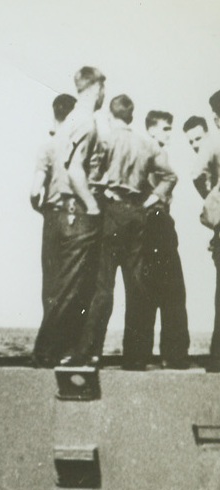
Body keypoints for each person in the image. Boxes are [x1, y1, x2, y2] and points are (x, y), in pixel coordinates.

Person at [78, 94, 176, 368]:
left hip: (112, 213)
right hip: (138, 215)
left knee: (103, 285)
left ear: (111, 116)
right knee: (137, 285)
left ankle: (89, 352)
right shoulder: (146, 143)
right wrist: (149, 201)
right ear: (132, 117)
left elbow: (93, 178)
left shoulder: (107, 140)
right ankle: (136, 356)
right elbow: (170, 176)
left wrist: (102, 192)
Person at [32, 68, 106, 367]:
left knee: (63, 286)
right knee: (74, 289)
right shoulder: (87, 123)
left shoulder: (67, 123)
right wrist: (92, 205)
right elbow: (76, 170)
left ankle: (56, 351)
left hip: (62, 212)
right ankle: (47, 352)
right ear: (97, 87)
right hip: (78, 212)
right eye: (103, 88)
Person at [30, 94, 78, 367]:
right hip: (79, 217)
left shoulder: (47, 147)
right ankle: (67, 347)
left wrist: (45, 210)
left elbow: (35, 191)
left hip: (53, 217)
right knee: (74, 285)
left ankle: (47, 349)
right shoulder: (83, 147)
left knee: (51, 285)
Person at [140, 110, 190, 368]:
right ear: (151, 129)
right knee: (173, 292)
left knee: (150, 291)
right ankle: (174, 355)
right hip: (158, 223)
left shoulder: (149, 152)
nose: (170, 133)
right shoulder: (154, 154)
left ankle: (142, 354)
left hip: (151, 226)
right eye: (166, 128)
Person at [192, 91, 220, 370]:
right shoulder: (213, 145)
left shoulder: (213, 145)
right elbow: (197, 175)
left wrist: (212, 201)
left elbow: (198, 176)